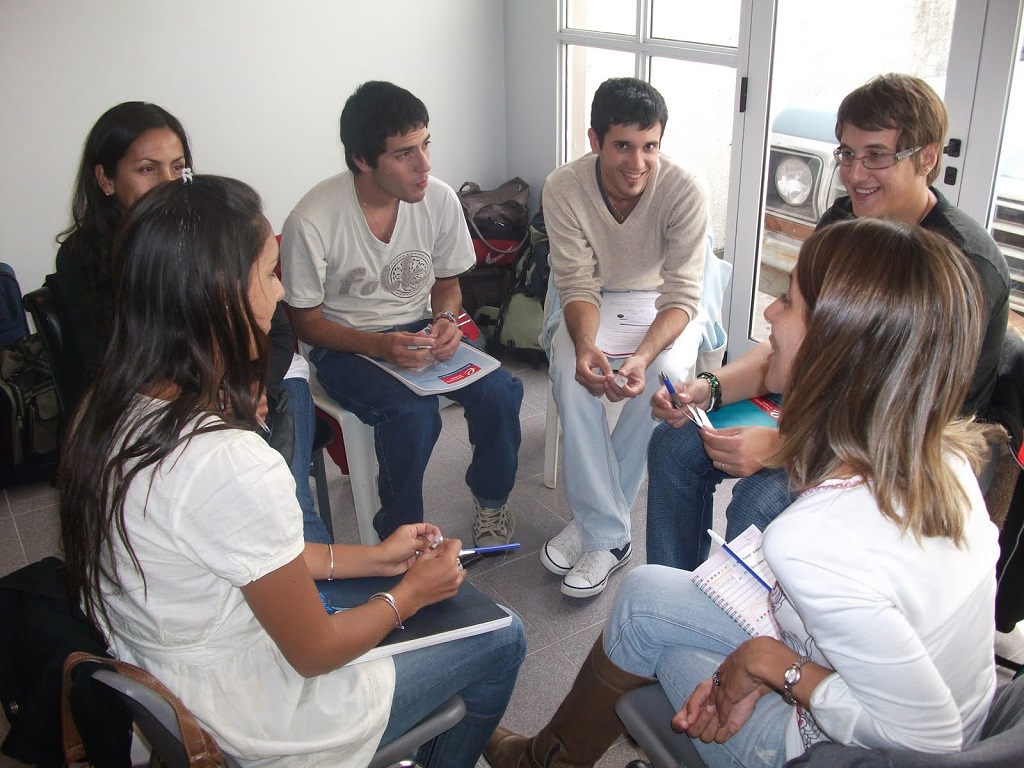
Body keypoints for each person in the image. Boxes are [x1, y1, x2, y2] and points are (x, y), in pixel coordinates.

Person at [485, 218, 1001, 768]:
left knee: (665, 650)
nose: (770, 312)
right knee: (641, 595)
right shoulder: (940, 454)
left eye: (789, 301)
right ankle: (543, 761)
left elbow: (930, 739)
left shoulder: (813, 539)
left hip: (852, 752)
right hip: (908, 694)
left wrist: (776, 667)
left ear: (835, 350)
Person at [59, 175, 525, 768]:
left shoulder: (105, 409)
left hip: (172, 678)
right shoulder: (227, 460)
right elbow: (315, 652)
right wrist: (409, 594)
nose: (281, 292)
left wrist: (375, 559)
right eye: (269, 273)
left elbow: (246, 552)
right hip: (259, 717)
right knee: (501, 635)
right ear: (218, 296)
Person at [646, 72, 1011, 571]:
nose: (855, 174)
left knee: (760, 502)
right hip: (820, 405)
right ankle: (676, 593)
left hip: (897, 444)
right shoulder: (845, 218)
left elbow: (920, 423)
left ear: (927, 157)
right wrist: (708, 388)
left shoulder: (962, 268)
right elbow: (792, 337)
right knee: (675, 443)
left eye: (876, 155)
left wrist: (788, 446)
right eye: (847, 153)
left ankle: (744, 616)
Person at [50, 101, 327, 543]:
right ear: (105, 179)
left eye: (178, 168)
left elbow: (275, 329)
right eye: (147, 169)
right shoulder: (90, 260)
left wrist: (252, 385)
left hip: (248, 375)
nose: (168, 183)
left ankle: (301, 541)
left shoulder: (208, 232)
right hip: (180, 398)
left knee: (287, 490)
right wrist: (212, 397)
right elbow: (115, 362)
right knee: (248, 487)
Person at [281, 81, 523, 546]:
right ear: (362, 159)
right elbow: (306, 324)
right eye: (404, 153)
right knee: (414, 414)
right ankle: (402, 537)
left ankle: (492, 500)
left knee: (501, 391)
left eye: (426, 144)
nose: (424, 165)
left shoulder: (439, 199)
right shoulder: (312, 220)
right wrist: (378, 345)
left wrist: (446, 320)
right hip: (345, 345)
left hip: (419, 330)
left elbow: (447, 286)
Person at [539, 77, 708, 597]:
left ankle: (596, 526)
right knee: (571, 371)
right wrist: (586, 346)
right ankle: (610, 532)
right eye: (623, 146)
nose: (637, 163)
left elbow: (682, 294)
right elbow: (577, 284)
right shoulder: (563, 187)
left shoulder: (684, 189)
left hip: (659, 299)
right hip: (592, 297)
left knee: (663, 376)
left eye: (650, 146)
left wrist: (640, 356)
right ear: (594, 139)